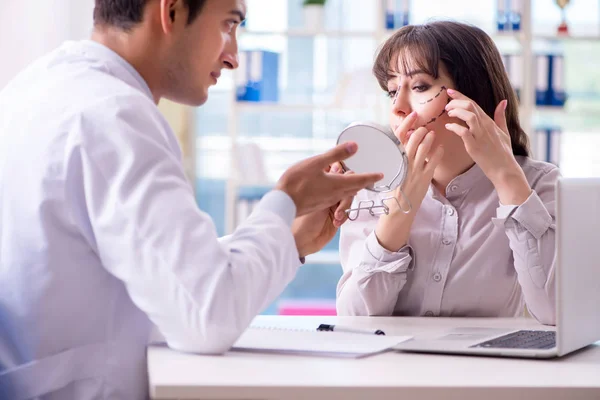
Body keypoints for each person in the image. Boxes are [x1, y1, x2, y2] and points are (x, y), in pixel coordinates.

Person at [0, 0, 383, 399]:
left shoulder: (37, 87)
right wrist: (284, 200)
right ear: (172, 12)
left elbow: (167, 274)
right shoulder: (116, 116)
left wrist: (289, 240)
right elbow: (207, 314)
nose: (233, 56)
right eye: (228, 25)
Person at [336, 21, 559, 326]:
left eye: (419, 87)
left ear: (472, 95)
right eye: (391, 91)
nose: (399, 107)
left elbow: (554, 311)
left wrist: (506, 177)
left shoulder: (539, 184)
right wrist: (404, 203)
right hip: (387, 370)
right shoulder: (373, 186)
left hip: (487, 372)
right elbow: (354, 318)